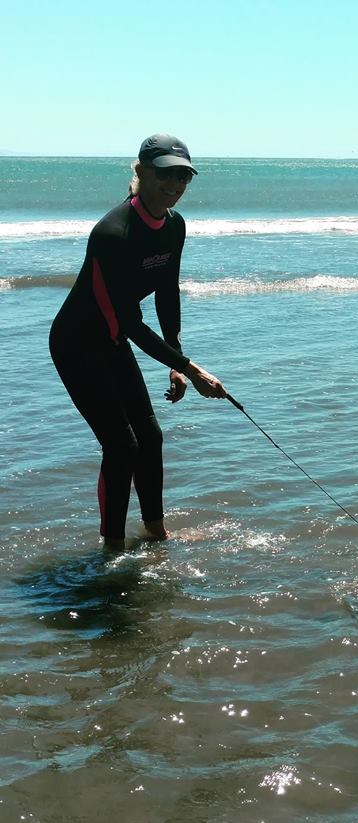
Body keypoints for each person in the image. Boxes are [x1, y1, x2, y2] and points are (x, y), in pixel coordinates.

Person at [49, 134, 227, 550]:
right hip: (77, 344)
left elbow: (167, 293)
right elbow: (128, 320)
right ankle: (112, 549)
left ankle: (155, 532)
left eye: (183, 176)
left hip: (111, 340)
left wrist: (175, 359)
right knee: (121, 445)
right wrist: (191, 369)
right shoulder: (113, 233)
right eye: (165, 174)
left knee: (150, 437)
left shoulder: (173, 226)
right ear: (142, 172)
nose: (175, 184)